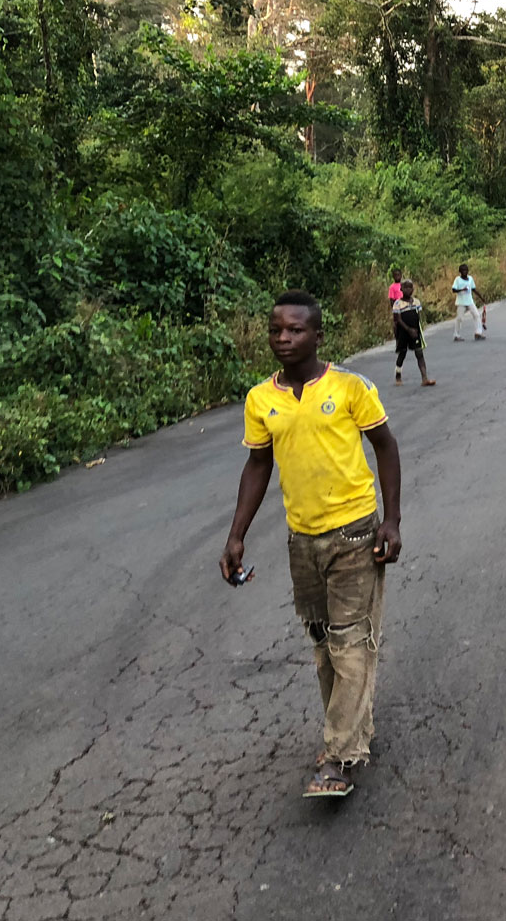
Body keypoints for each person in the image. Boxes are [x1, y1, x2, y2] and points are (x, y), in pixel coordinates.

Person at [219, 290, 403, 799]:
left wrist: (392, 522)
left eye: (295, 330)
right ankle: (351, 730)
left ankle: (340, 756)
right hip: (303, 541)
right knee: (325, 649)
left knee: (349, 644)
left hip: (354, 533)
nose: (283, 338)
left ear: (318, 335)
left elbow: (385, 447)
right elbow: (258, 465)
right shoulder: (261, 399)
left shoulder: (349, 387)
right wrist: (236, 535)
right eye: (276, 329)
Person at [392, 280, 436, 386]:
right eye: (405, 287)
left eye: (410, 287)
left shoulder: (416, 302)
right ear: (401, 289)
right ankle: (398, 375)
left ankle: (424, 378)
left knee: (419, 353)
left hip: (415, 332)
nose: (408, 290)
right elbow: (397, 319)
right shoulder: (397, 304)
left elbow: (418, 317)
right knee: (402, 353)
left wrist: (417, 330)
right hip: (403, 332)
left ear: (413, 289)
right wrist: (407, 330)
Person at [450, 264, 486, 342]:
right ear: (460, 272)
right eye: (463, 270)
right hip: (461, 302)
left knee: (476, 315)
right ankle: (456, 335)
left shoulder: (470, 279)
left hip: (469, 301)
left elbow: (474, 289)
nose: (464, 272)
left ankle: (478, 333)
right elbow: (453, 290)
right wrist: (462, 289)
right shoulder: (457, 279)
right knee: (459, 318)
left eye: (466, 270)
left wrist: (481, 297)